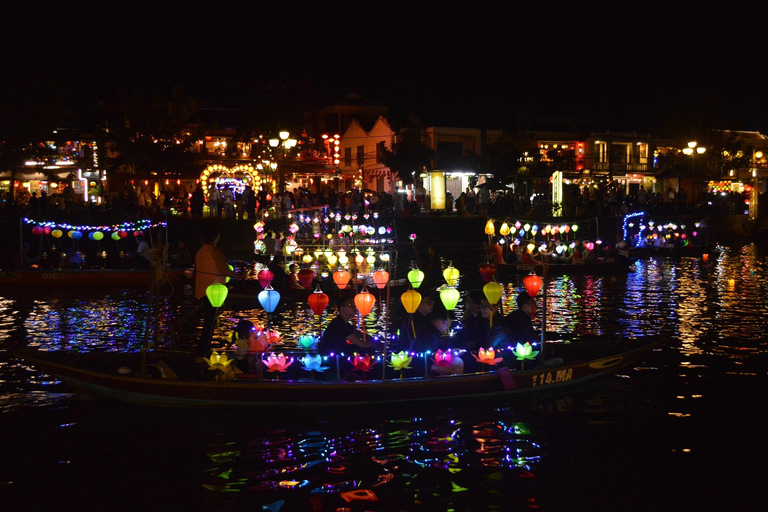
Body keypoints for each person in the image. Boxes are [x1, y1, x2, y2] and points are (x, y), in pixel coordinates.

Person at [194, 223, 238, 357]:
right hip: (213, 290)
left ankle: (203, 351)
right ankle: (201, 353)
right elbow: (225, 270)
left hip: (201, 290)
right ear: (217, 237)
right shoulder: (216, 251)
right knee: (209, 323)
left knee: (209, 321)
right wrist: (240, 276)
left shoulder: (200, 251)